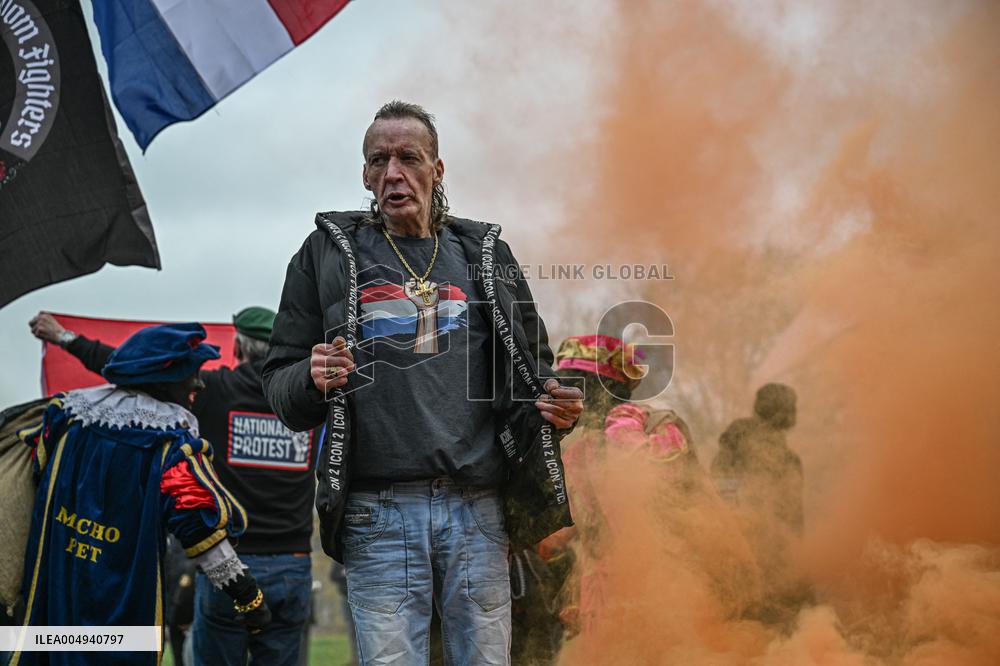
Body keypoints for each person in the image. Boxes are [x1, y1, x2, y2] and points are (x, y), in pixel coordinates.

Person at [262, 100, 583, 665]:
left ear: (437, 169)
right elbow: (280, 385)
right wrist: (310, 380)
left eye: (409, 157)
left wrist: (556, 408)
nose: (393, 173)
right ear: (365, 175)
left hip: (478, 511)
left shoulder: (486, 255)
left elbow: (535, 373)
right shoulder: (324, 256)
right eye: (378, 160)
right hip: (375, 513)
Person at [29, 308, 315, 666]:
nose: (197, 385)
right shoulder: (310, 402)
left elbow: (126, 362)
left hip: (71, 580)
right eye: (192, 375)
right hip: (293, 561)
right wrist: (247, 595)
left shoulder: (70, 419)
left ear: (239, 348)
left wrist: (65, 338)